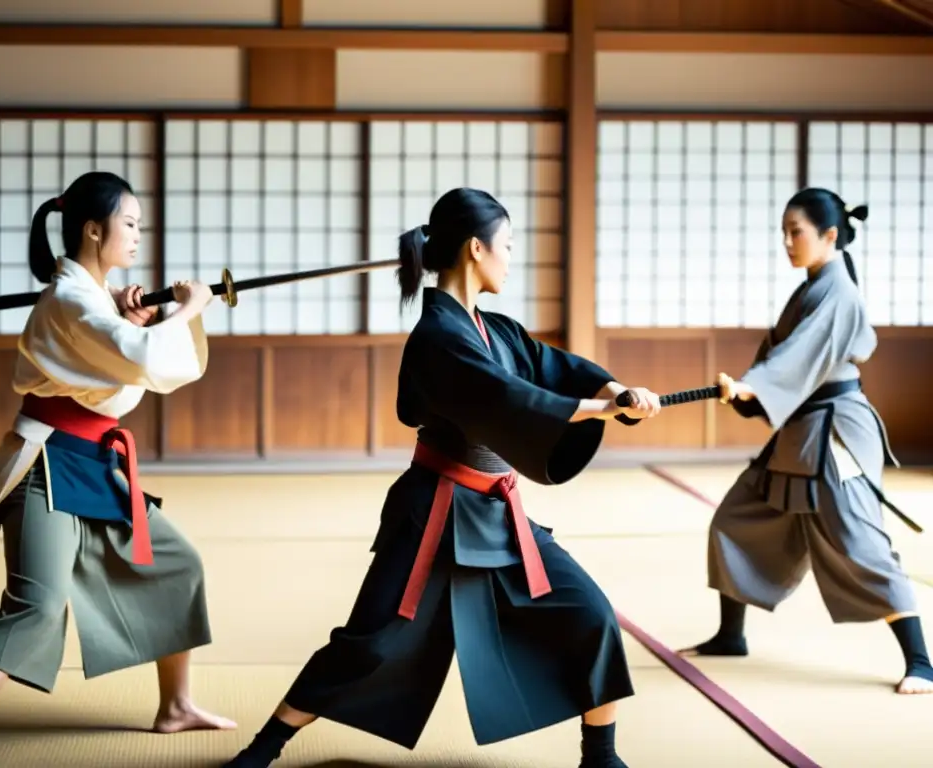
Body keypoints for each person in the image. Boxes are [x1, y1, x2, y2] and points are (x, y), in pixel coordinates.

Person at [223, 187, 662, 768]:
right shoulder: (437, 337)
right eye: (507, 245)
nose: (512, 256)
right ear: (477, 249)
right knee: (370, 640)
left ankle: (601, 758)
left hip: (499, 516)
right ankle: (263, 749)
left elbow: (553, 367)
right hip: (434, 511)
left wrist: (616, 392)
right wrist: (592, 410)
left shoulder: (496, 329)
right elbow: (508, 396)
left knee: (591, 613)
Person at [0, 171, 236, 768]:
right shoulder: (68, 300)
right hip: (46, 463)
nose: (138, 236)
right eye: (130, 224)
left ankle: (175, 705)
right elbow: (135, 359)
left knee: (176, 563)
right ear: (94, 229)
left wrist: (136, 321)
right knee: (35, 604)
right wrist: (187, 309)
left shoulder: (88, 300)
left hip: (94, 461)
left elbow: (116, 370)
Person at [678, 187, 933, 696]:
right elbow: (789, 359)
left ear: (830, 235)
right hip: (798, 428)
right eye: (784, 233)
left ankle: (922, 660)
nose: (787, 242)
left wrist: (755, 386)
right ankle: (732, 635)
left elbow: (796, 359)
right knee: (736, 521)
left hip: (835, 434)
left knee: (860, 541)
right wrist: (752, 392)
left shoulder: (839, 293)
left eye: (796, 232)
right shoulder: (814, 286)